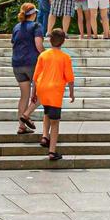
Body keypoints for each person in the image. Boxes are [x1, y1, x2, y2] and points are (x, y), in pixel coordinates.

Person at [32, 28, 75, 161]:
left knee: (47, 112)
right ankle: (52, 151)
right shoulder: (65, 57)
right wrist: (72, 93)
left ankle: (45, 136)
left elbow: (35, 76)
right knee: (55, 122)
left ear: (50, 41)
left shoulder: (43, 55)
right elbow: (70, 79)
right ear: (62, 42)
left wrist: (34, 93)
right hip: (55, 91)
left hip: (43, 89)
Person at [10, 2, 44, 135]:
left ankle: (21, 126)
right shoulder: (37, 26)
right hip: (32, 63)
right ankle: (26, 114)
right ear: (34, 14)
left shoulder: (17, 27)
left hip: (17, 64)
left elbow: (14, 42)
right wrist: (46, 54)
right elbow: (39, 46)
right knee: (42, 95)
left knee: (24, 96)